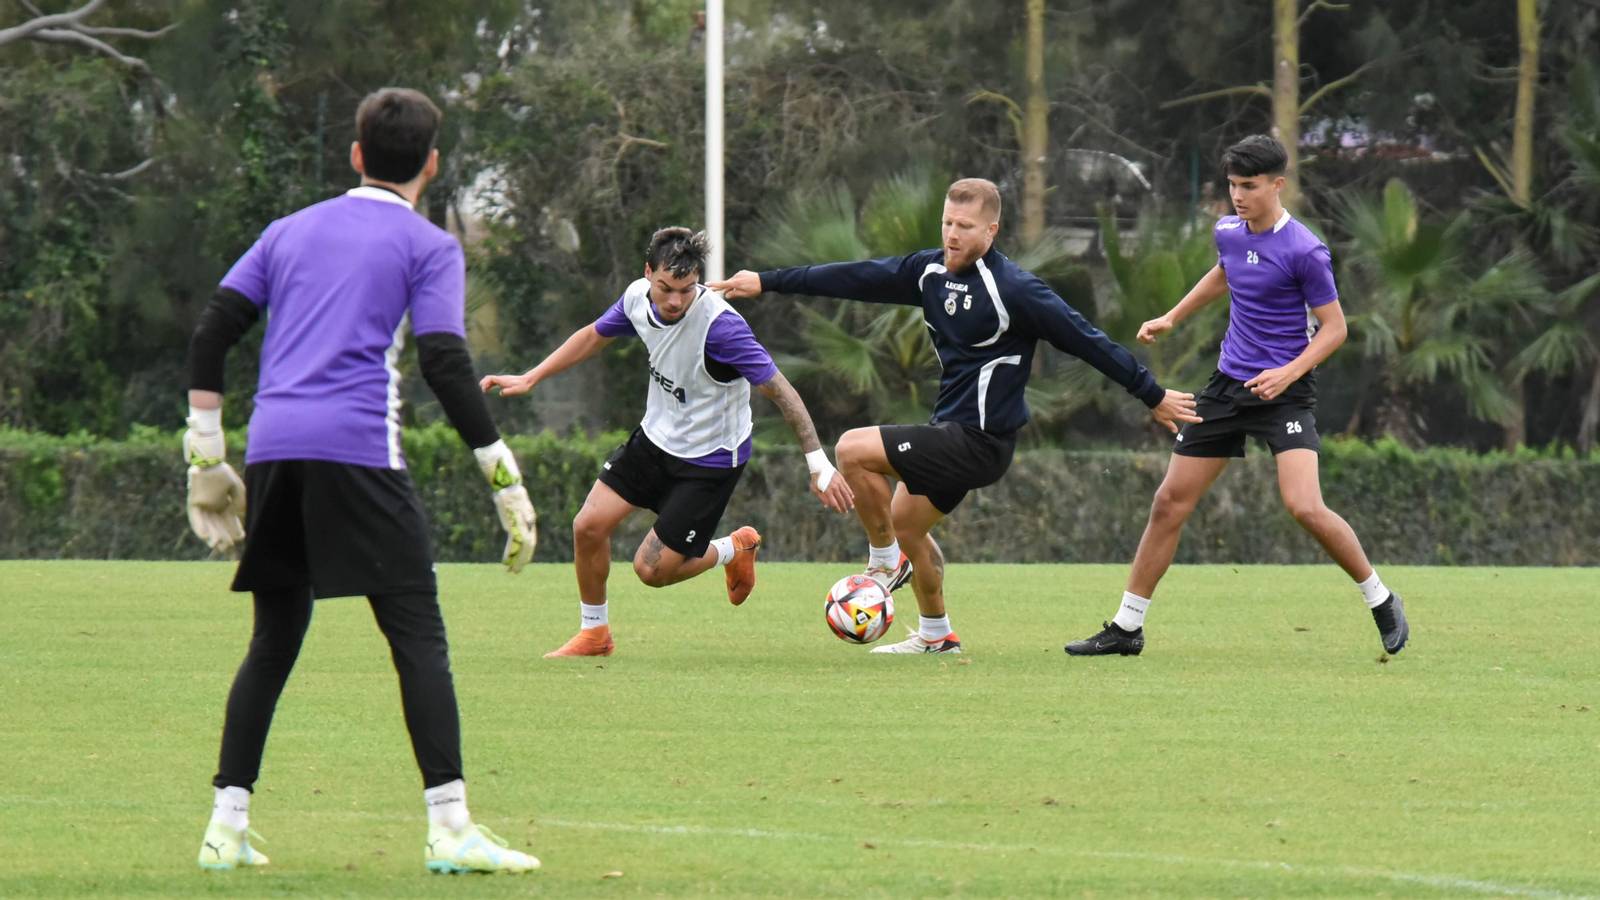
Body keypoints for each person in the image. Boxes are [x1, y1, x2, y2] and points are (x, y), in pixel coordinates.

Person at [183, 88, 540, 875]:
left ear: (355, 154)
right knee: (417, 633)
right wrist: (502, 475)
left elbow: (212, 332)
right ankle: (450, 827)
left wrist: (205, 453)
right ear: (432, 165)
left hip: (275, 451)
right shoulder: (429, 245)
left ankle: (225, 827)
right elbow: (444, 361)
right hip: (358, 453)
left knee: (275, 639)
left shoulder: (286, 230)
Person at [710, 178, 1200, 654]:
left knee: (852, 449)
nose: (952, 234)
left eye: (965, 226)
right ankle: (936, 635)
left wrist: (1151, 393)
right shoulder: (928, 271)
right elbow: (855, 277)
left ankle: (884, 564)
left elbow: (1087, 339)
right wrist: (768, 281)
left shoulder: (1015, 289)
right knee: (907, 525)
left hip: (980, 441)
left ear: (991, 231)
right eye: (948, 222)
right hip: (950, 432)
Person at [1063, 135, 1408, 658]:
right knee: (1168, 503)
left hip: (1285, 391)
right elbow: (1226, 273)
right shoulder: (1227, 231)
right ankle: (1127, 628)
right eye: (1232, 186)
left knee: (1303, 505)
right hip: (1227, 386)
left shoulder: (1305, 249)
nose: (1238, 196)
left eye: (1249, 186)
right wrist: (1172, 316)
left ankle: (1381, 598)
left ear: (1277, 185)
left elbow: (1335, 329)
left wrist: (1288, 373)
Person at [482, 228, 854, 658]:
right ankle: (595, 634)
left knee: (651, 570)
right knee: (587, 527)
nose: (676, 300)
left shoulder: (722, 329)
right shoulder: (636, 299)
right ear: (648, 273)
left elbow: (782, 391)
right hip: (655, 441)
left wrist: (818, 464)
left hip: (711, 460)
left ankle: (733, 548)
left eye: (686, 289)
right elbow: (593, 335)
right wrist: (531, 377)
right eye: (666, 288)